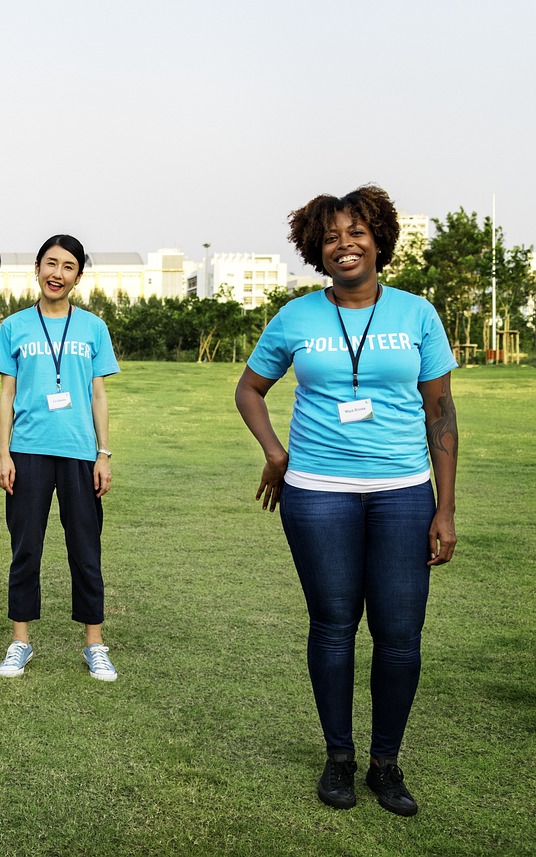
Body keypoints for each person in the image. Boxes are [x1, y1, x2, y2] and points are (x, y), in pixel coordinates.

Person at [234, 185, 458, 817]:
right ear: (316, 248)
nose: (345, 244)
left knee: (399, 633)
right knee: (332, 627)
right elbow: (250, 390)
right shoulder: (297, 317)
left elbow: (439, 413)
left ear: (378, 238)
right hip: (318, 494)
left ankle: (386, 763)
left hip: (402, 493)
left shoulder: (417, 315)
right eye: (331, 236)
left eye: (356, 232)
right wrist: (277, 455)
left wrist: (444, 507)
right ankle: (339, 758)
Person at [0, 234, 120, 682]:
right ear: (37, 268)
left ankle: (95, 644)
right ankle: (20, 642)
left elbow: (98, 394)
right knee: (25, 549)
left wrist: (103, 453)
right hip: (27, 453)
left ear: (78, 276)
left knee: (86, 550)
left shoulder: (94, 329)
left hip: (81, 454)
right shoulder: (14, 327)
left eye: (67, 266)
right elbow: (6, 395)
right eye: (50, 263)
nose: (56, 273)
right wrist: (3, 453)